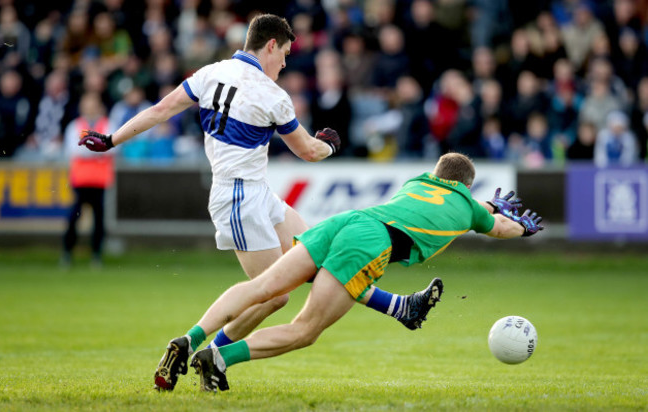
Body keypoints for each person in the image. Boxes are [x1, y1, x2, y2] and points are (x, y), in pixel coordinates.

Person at [77, 14, 435, 390]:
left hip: (254, 192)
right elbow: (309, 152)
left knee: (323, 256)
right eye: (284, 54)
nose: (284, 63)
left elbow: (158, 111)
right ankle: (192, 344)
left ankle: (400, 307)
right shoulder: (272, 95)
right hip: (238, 197)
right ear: (269, 45)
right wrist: (330, 142)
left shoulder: (210, 73)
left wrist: (111, 140)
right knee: (273, 293)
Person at [167, 153, 544, 393]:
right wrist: (522, 227)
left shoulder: (418, 182)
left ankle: (191, 337)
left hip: (346, 222)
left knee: (263, 285)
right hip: (372, 243)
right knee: (305, 330)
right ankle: (220, 359)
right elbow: (499, 227)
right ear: (466, 186)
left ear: (437, 174)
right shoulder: (470, 208)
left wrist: (491, 204)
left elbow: (459, 198)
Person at [61, 92, 115, 268]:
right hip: (80, 180)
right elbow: (73, 150)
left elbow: (113, 147)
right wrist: (98, 149)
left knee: (99, 220)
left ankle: (96, 255)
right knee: (73, 218)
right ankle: (67, 253)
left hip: (100, 181)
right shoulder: (75, 126)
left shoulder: (107, 124)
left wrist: (89, 148)